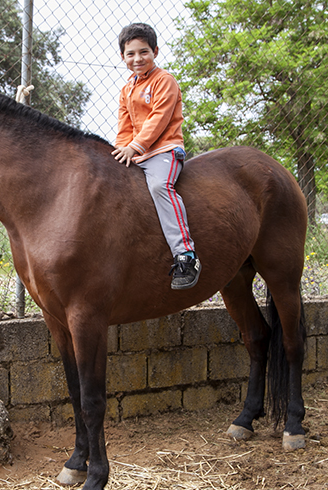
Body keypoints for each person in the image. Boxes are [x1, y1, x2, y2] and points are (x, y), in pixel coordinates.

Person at [112, 22, 201, 290]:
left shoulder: (165, 81)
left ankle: (186, 254)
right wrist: (120, 151)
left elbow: (158, 120)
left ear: (155, 52)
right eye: (131, 54)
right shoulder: (127, 90)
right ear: (123, 57)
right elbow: (124, 128)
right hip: (137, 152)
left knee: (159, 186)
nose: (137, 59)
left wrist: (135, 147)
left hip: (164, 151)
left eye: (143, 52)